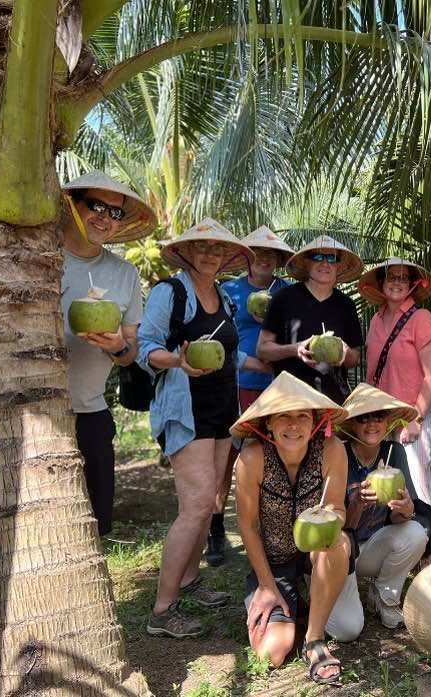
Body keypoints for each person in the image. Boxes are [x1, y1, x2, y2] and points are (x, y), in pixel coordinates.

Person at [0, 171, 156, 614]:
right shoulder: (24, 257)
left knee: (88, 529)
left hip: (89, 414)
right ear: (71, 206)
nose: (106, 219)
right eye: (96, 206)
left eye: (115, 213)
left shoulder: (124, 275)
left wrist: (119, 345)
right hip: (15, 416)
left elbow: (131, 350)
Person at [138, 218, 261, 638]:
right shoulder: (168, 293)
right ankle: (162, 610)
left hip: (222, 410)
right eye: (201, 247)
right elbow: (145, 348)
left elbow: (230, 352)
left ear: (226, 257)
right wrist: (177, 361)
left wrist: (266, 365)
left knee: (208, 502)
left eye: (217, 249)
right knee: (194, 506)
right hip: (185, 411)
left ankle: (188, 582)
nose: (210, 254)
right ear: (186, 252)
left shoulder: (224, 296)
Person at [232, 372, 361, 685]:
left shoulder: (332, 450)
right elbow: (247, 527)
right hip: (274, 562)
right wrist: (265, 585)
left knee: (349, 627)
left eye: (302, 415)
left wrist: (326, 518)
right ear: (268, 424)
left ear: (315, 421)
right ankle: (297, 603)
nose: (293, 425)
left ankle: (314, 640)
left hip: (318, 556)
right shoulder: (251, 459)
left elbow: (337, 509)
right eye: (283, 417)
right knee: (271, 654)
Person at [205, 225, 294, 566]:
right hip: (238, 383)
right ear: (246, 257)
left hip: (279, 386)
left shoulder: (287, 292)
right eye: (257, 253)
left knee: (277, 458)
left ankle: (275, 528)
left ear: (279, 260)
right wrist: (250, 361)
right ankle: (215, 530)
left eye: (271, 254)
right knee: (226, 457)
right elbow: (218, 337)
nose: (264, 259)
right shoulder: (229, 291)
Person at [339, 383, 431, 629]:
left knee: (416, 533)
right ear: (352, 424)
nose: (372, 424)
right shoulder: (339, 454)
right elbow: (339, 528)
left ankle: (383, 597)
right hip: (343, 550)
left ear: (387, 421)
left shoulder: (395, 452)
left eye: (378, 417)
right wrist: (357, 504)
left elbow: (401, 518)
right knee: (347, 627)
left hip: (374, 545)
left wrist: (406, 510)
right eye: (363, 418)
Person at [359, 257, 431, 506]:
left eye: (403, 278)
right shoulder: (375, 320)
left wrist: (415, 418)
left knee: (415, 482)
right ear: (382, 283)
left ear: (412, 285)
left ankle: (425, 539)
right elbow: (373, 372)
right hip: (383, 417)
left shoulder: (422, 318)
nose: (397, 283)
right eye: (391, 277)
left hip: (415, 414)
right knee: (385, 482)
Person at [257, 235, 364, 404]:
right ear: (307, 263)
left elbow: (354, 359)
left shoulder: (346, 305)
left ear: (339, 265)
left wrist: (344, 353)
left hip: (333, 400)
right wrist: (295, 349)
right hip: (290, 399)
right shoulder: (283, 298)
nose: (325, 263)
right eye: (318, 257)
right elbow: (262, 350)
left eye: (331, 258)